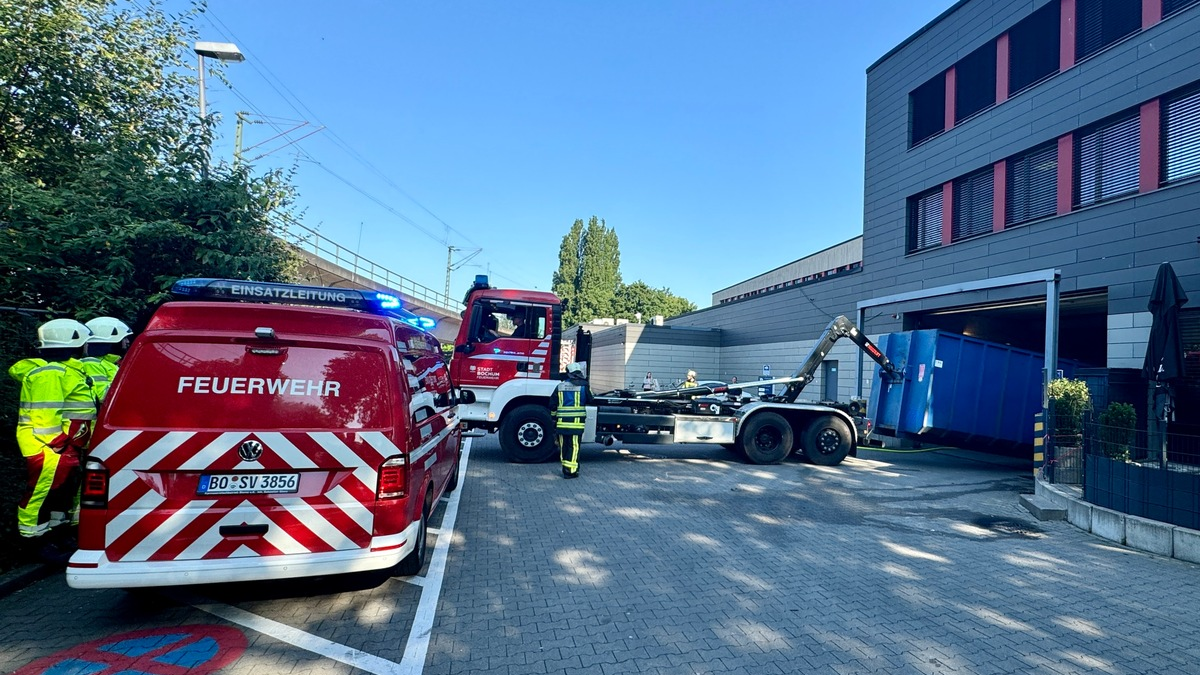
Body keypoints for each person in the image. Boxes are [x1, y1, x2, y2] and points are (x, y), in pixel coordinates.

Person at [9, 319, 97, 562]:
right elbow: (44, 414)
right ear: (74, 343)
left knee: (61, 492)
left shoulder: (64, 370)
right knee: (41, 493)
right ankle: (34, 542)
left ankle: (56, 535)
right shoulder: (50, 374)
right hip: (47, 444)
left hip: (62, 445)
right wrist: (59, 442)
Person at [81, 316, 133, 402]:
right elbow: (102, 396)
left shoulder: (108, 363)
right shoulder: (92, 364)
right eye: (124, 338)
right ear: (112, 340)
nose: (128, 341)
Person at [552, 362, 589, 479]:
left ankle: (565, 468)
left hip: (561, 423)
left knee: (563, 446)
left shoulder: (560, 386)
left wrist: (554, 419)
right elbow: (591, 399)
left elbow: (552, 405)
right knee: (574, 446)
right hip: (576, 423)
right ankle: (572, 471)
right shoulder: (584, 386)